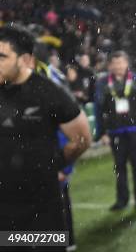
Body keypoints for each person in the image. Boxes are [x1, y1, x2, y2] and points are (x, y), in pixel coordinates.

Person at [0, 25, 91, 246]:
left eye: (2, 57)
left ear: (24, 59)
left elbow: (81, 138)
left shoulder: (48, 92)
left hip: (42, 206)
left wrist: (55, 163)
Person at [94, 50, 136, 210]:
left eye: (121, 62)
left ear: (127, 63)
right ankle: (122, 200)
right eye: (115, 63)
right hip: (115, 131)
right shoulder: (103, 82)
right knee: (119, 167)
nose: (118, 66)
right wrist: (102, 133)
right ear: (110, 65)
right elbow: (99, 110)